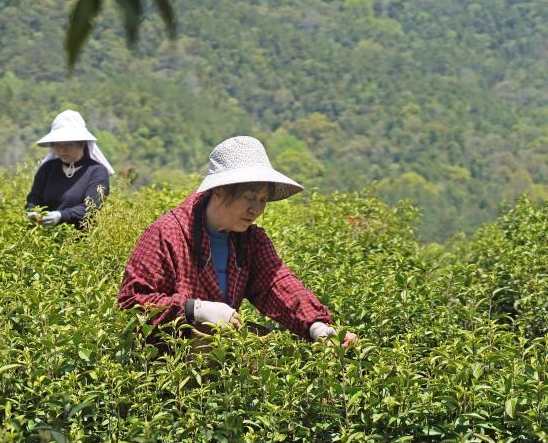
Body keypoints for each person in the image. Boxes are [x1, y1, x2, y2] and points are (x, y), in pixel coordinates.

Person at [117, 135, 358, 347]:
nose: (256, 209)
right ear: (219, 191)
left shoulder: (250, 241)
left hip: (220, 361)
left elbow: (277, 284)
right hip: (166, 364)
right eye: (249, 197)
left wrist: (317, 326)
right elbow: (132, 303)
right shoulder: (168, 234)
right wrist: (195, 309)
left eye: (262, 200)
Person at [26, 110, 113, 228]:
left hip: (80, 237)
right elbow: (35, 196)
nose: (62, 150)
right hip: (44, 234)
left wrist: (62, 216)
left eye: (68, 144)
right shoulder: (48, 168)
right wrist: (32, 210)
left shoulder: (96, 172)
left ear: (82, 143)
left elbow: (91, 207)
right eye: (58, 145)